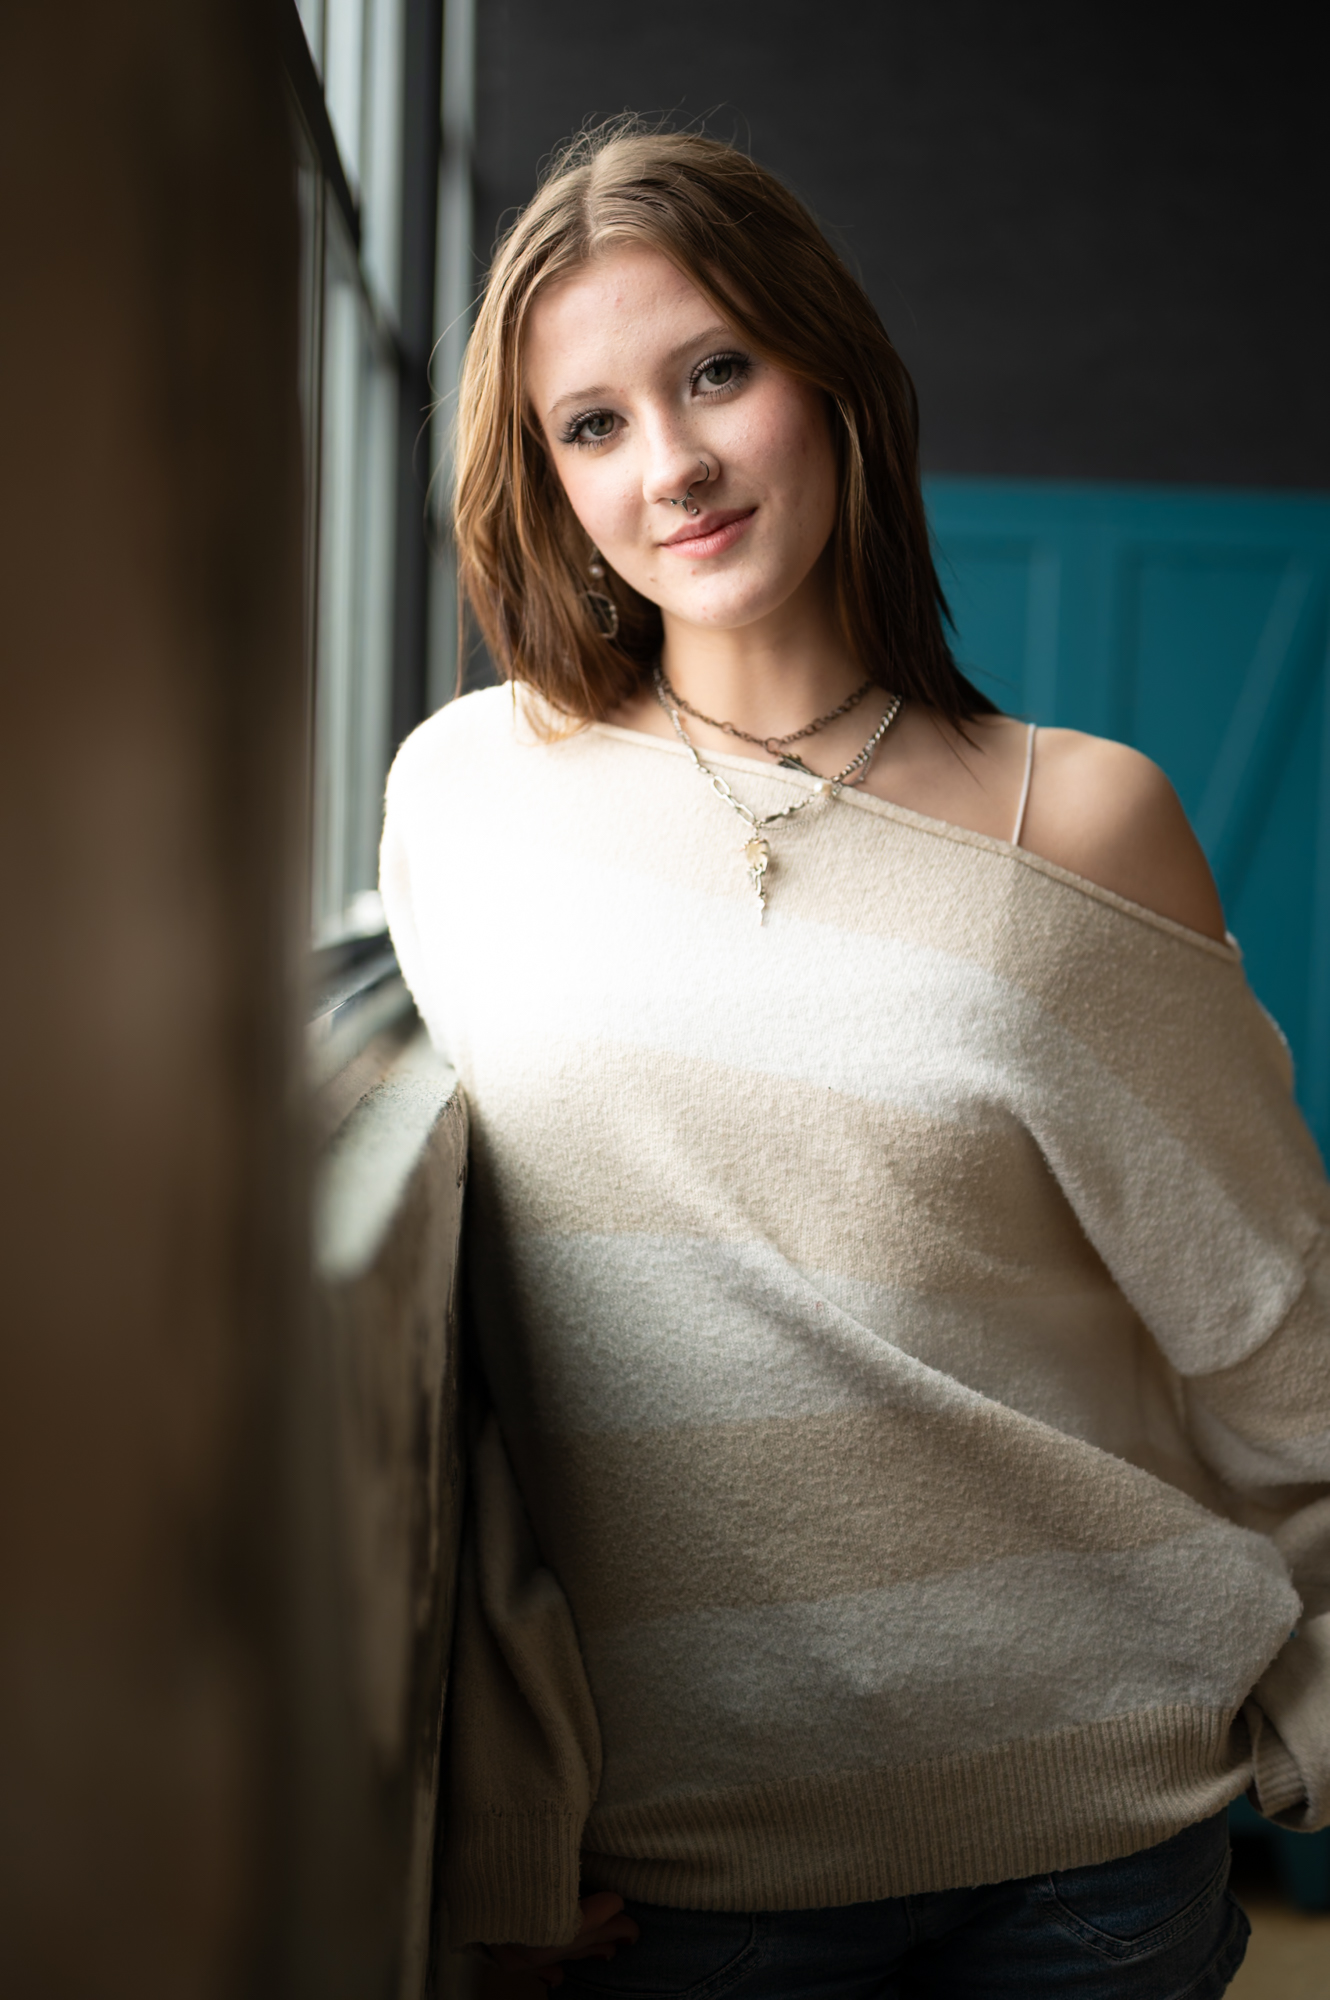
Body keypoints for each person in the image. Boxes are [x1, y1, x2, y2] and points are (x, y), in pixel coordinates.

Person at [380, 122, 1330, 1997]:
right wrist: (507, 1807)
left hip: (1092, 1852)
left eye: (715, 371)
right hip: (686, 1868)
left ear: (830, 377)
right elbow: (474, 1382)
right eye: (593, 424)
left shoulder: (1081, 822)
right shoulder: (467, 797)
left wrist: (1301, 1723)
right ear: (545, 480)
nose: (673, 465)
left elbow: (1275, 1335)